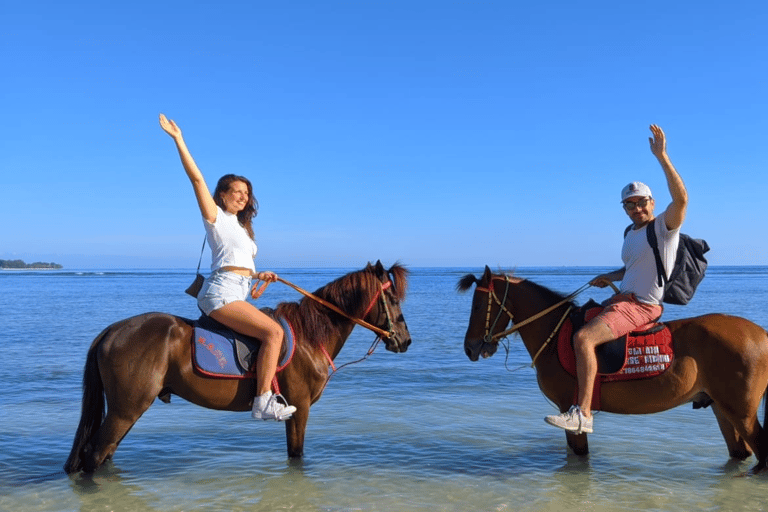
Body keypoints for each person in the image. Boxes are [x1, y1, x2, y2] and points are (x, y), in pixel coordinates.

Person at [545, 124, 688, 434]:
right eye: (630, 204)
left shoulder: (663, 227)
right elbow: (634, 268)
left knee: (583, 338)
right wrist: (609, 276)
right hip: (622, 299)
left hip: (642, 306)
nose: (637, 208)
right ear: (624, 209)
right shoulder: (630, 233)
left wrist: (662, 157)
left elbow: (682, 201)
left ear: (652, 202)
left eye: (641, 202)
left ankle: (582, 414)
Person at [159, 114, 297, 421]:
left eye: (247, 193)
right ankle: (263, 401)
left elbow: (237, 265)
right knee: (274, 333)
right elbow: (196, 179)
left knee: (269, 330)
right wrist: (179, 139)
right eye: (238, 191)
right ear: (222, 194)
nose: (244, 196)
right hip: (221, 294)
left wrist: (258, 274)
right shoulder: (216, 217)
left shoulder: (242, 228)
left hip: (238, 290)